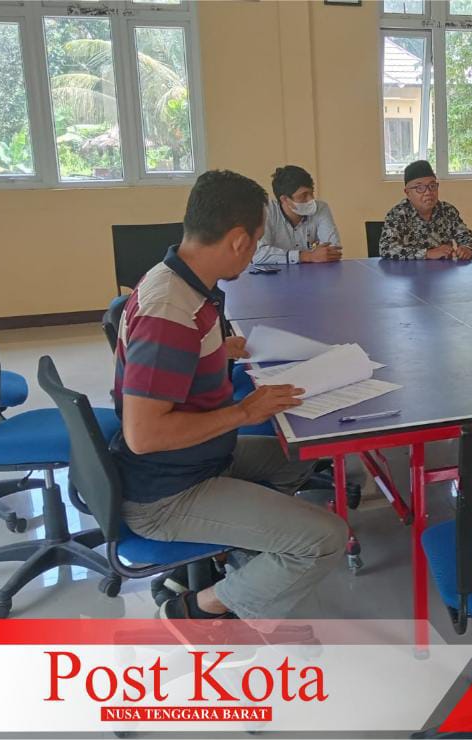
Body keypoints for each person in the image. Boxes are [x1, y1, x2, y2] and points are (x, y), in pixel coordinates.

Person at [112, 169, 348, 622]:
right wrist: (243, 412)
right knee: (325, 539)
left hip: (200, 457)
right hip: (168, 492)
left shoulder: (180, 282)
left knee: (299, 455)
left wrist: (216, 351)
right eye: (257, 239)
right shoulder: (169, 310)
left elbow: (170, 372)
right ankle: (196, 611)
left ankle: (233, 553)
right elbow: (144, 435)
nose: (255, 248)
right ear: (239, 241)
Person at [379, 160, 472, 260]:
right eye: (420, 188)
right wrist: (427, 253)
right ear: (407, 193)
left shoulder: (447, 211)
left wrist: (467, 248)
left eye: (432, 186)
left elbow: (469, 238)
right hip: (410, 270)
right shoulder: (398, 214)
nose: (428, 192)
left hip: (444, 269)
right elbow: (386, 248)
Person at [253, 165, 342, 265]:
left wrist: (317, 255)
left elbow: (333, 250)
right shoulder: (266, 211)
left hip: (310, 272)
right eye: (304, 195)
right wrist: (307, 256)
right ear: (284, 199)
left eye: (311, 193)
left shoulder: (321, 208)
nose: (311, 199)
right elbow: (258, 254)